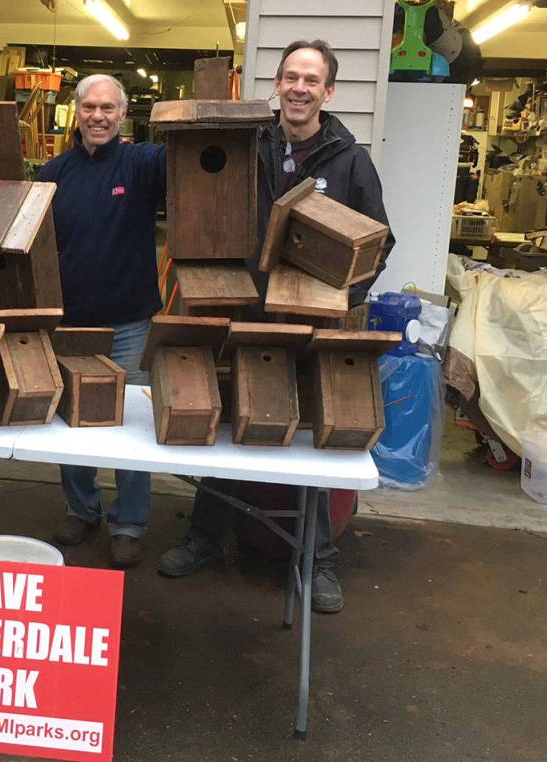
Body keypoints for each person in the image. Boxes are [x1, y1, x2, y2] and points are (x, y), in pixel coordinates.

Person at [158, 40, 395, 613]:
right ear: (278, 83)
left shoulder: (349, 158)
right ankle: (207, 537)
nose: (299, 88)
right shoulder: (250, 141)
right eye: (291, 76)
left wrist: (341, 296)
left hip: (310, 320)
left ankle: (318, 560)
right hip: (240, 309)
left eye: (311, 80)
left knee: (313, 436)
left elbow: (379, 242)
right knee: (224, 427)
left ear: (328, 92)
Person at [37, 74, 166, 569]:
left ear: (122, 113)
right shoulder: (53, 173)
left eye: (108, 108)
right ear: (76, 111)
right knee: (75, 422)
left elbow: (187, 161)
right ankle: (81, 508)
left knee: (131, 425)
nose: (98, 116)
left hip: (131, 321)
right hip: (70, 325)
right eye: (89, 107)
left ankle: (129, 522)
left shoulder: (143, 164)